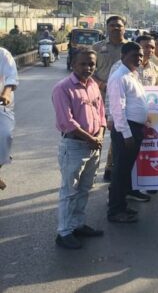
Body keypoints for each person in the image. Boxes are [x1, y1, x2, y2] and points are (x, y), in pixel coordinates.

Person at [51, 49, 106, 249]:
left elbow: (101, 114)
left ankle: (77, 225)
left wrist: (99, 135)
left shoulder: (93, 86)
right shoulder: (63, 88)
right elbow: (67, 122)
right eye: (83, 64)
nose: (87, 68)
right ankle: (64, 232)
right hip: (74, 146)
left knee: (84, 189)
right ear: (73, 64)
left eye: (91, 64)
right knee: (69, 191)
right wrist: (91, 138)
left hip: (93, 146)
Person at [106, 42, 148, 224]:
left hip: (135, 128)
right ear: (123, 56)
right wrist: (127, 134)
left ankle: (121, 205)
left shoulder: (132, 75)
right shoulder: (119, 77)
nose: (139, 58)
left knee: (125, 171)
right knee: (120, 171)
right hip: (126, 130)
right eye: (134, 55)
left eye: (140, 55)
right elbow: (118, 109)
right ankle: (115, 211)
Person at [91, 16, 127, 182]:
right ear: (107, 28)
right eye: (112, 26)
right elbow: (89, 70)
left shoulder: (130, 48)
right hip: (99, 97)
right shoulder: (97, 48)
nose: (115, 28)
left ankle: (110, 167)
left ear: (124, 28)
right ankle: (91, 169)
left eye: (119, 26)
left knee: (118, 133)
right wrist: (101, 84)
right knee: (97, 134)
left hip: (122, 99)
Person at [0, 46, 17, 191]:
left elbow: (11, 77)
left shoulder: (3, 54)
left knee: (5, 136)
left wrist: (6, 92)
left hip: (1, 104)